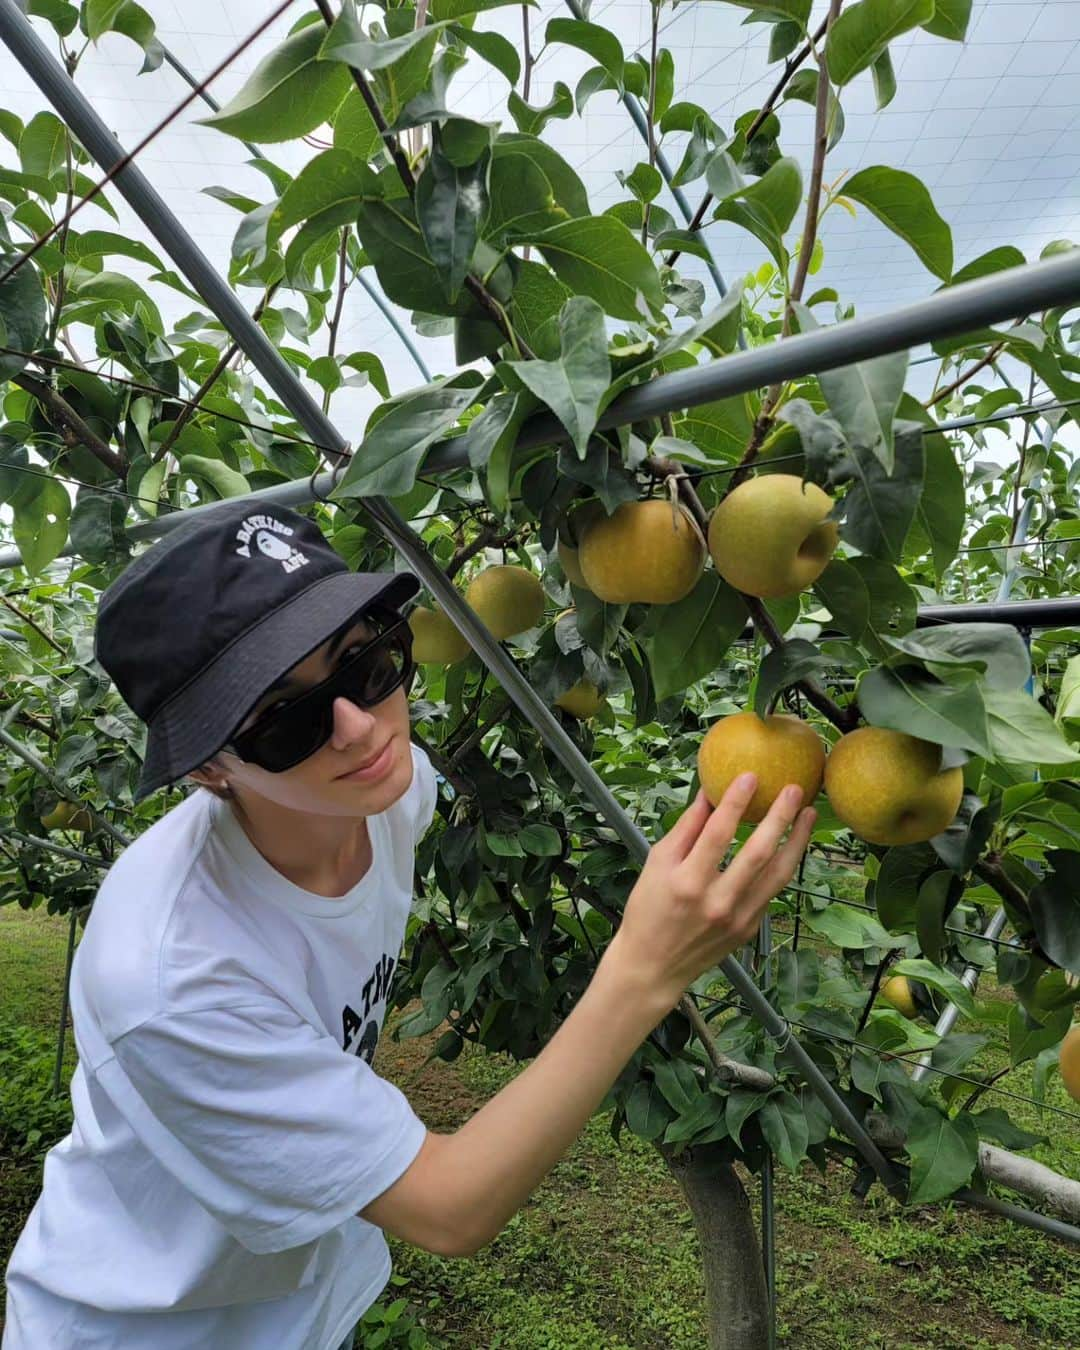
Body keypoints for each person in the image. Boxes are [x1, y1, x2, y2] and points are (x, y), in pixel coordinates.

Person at [2, 501, 815, 1350]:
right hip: (146, 1329)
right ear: (209, 769)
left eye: (365, 662)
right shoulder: (168, 975)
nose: (360, 729)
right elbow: (448, 1206)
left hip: (312, 1301)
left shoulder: (393, 794)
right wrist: (645, 967)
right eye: (283, 718)